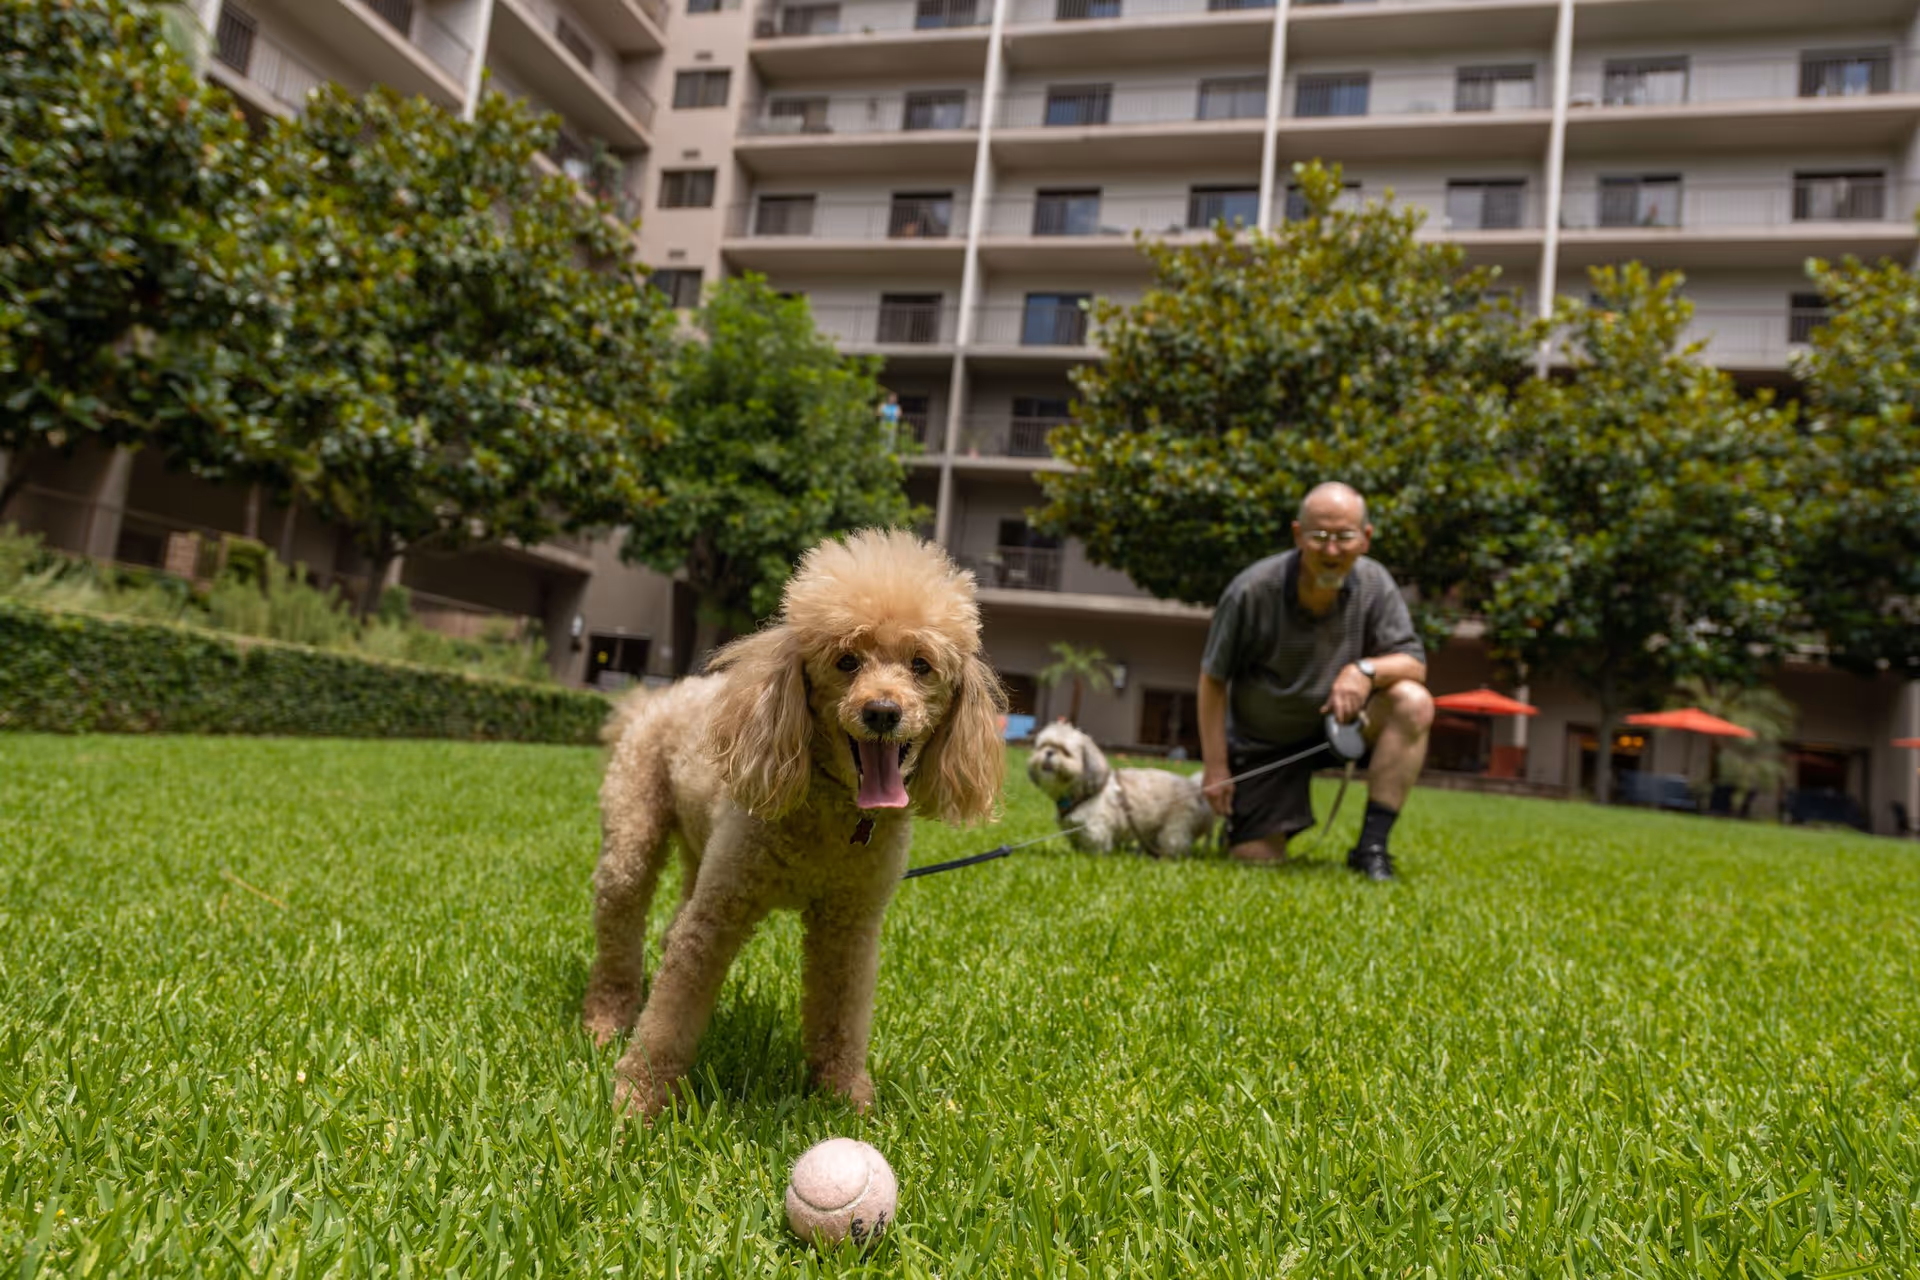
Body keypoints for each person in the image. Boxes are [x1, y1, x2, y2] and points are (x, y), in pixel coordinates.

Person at [1196, 482, 1434, 881]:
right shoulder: (1251, 590)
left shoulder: (1376, 584)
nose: (1331, 550)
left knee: (1413, 701)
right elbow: (1213, 679)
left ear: (1366, 538)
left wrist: (1364, 671)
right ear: (1297, 535)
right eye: (1319, 537)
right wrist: (1216, 766)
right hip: (1266, 746)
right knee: (1255, 858)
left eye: (1344, 537)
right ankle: (1250, 826)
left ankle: (1371, 848)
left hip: (1342, 727)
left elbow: (1413, 664)